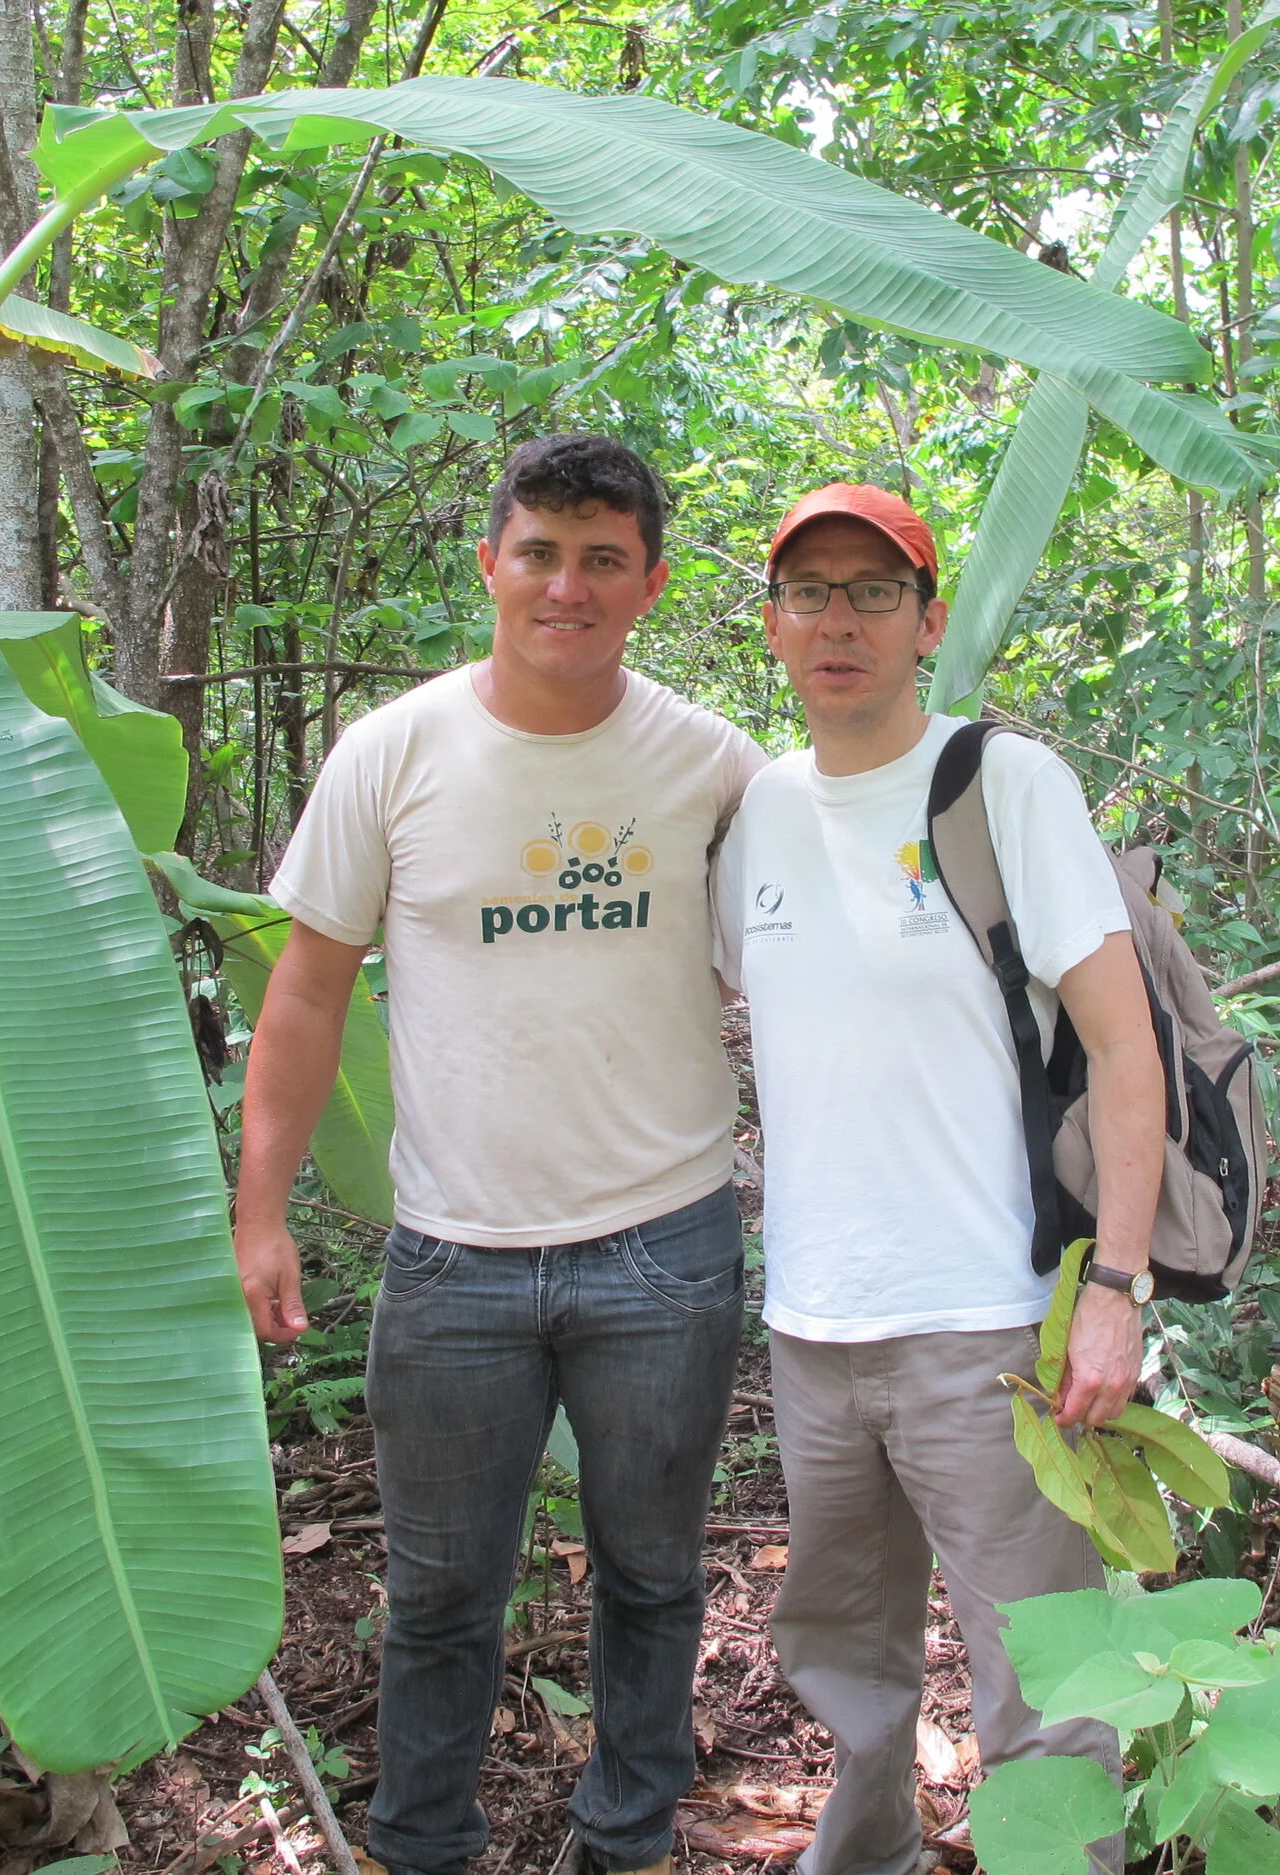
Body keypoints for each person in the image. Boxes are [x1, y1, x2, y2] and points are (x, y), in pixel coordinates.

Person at [234, 433, 764, 1875]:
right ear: (491, 564)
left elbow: (805, 964)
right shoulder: (393, 753)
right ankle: (421, 1845)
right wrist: (261, 1212)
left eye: (604, 559)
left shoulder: (714, 763)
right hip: (455, 1251)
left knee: (654, 1574)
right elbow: (306, 989)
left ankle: (629, 1832)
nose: (567, 586)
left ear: (649, 583)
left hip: (664, 1240)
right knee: (442, 1590)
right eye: (540, 552)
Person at [713, 484, 1165, 1875]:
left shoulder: (1003, 784)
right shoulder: (755, 816)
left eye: (870, 591)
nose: (836, 620)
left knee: (1048, 1678)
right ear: (775, 624)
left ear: (926, 620)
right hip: (815, 1328)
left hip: (991, 1325)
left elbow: (1123, 1043)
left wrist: (1120, 1291)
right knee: (847, 1667)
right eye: (809, 593)